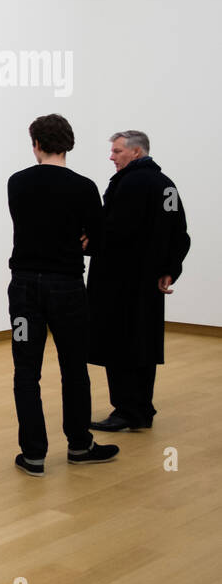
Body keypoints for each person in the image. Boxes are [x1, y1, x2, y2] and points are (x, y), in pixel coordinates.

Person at [7, 114, 118, 475]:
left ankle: (34, 454)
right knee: (74, 368)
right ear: (68, 144)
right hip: (68, 286)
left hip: (25, 287)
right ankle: (80, 445)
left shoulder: (17, 183)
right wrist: (83, 240)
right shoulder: (84, 188)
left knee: (26, 371)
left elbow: (28, 224)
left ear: (35, 144)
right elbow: (99, 239)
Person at [87, 131, 190, 431]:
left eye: (117, 151)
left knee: (117, 343)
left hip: (117, 282)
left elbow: (114, 232)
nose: (111, 156)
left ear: (135, 152)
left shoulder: (128, 184)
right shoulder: (165, 185)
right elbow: (179, 231)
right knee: (142, 344)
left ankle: (125, 411)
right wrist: (170, 269)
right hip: (148, 283)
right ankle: (141, 408)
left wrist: (87, 241)